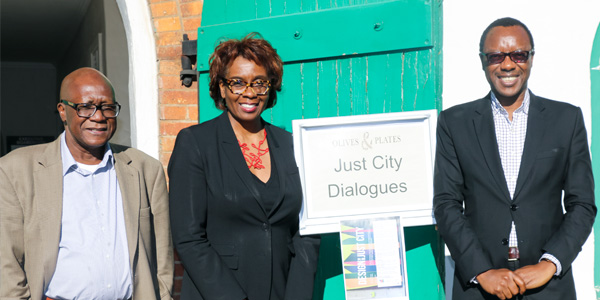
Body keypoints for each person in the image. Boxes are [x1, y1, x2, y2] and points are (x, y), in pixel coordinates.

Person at [434, 17, 596, 300]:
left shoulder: (566, 119)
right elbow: (446, 205)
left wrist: (551, 263)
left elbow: (582, 204)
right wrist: (482, 271)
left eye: (518, 54)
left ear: (531, 57)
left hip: (549, 286)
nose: (508, 65)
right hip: (479, 287)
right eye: (496, 56)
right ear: (483, 61)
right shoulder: (454, 122)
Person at [168, 34, 320, 300]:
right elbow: (189, 239)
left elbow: (307, 233)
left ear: (270, 88)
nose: (249, 93)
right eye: (237, 83)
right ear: (221, 87)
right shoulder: (195, 143)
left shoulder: (291, 145)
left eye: (259, 83)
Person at [0, 68, 174, 300]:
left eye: (107, 107)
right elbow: (7, 260)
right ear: (63, 111)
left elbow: (162, 254)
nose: (99, 117)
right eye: (85, 107)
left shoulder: (145, 169)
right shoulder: (15, 170)